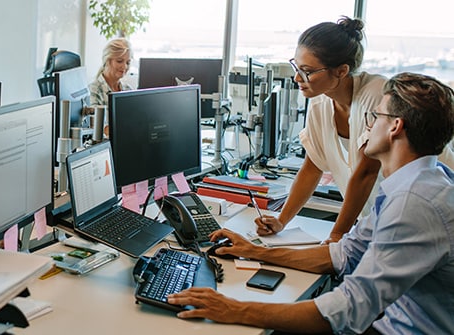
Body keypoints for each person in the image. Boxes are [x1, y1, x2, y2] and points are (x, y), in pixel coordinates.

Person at [168, 72, 454, 334]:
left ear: (395, 127)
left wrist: (234, 308)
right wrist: (255, 251)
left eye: (375, 116)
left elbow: (349, 307)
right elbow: (342, 255)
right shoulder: (415, 184)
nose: (369, 125)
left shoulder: (414, 202)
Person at [256, 16, 453, 243]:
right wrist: (282, 220)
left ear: (341, 71)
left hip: (428, 213)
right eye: (296, 67)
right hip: (382, 220)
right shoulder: (320, 104)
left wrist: (336, 236)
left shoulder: (378, 96)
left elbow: (366, 173)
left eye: (307, 71)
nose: (297, 77)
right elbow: (312, 168)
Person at [88, 38, 133, 106]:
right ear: (107, 61)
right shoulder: (93, 90)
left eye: (128, 62)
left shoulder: (128, 90)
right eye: (119, 61)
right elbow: (96, 116)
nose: (125, 67)